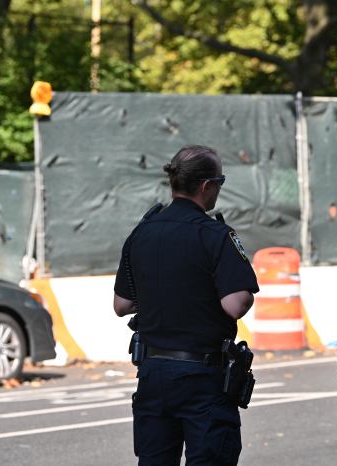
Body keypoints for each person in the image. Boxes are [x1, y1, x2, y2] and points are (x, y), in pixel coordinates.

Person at [113, 145, 259, 466]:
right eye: (219, 183)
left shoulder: (141, 233)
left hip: (152, 375)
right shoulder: (216, 235)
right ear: (207, 186)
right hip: (202, 378)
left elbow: (121, 304)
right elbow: (236, 304)